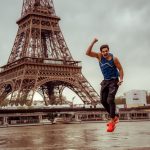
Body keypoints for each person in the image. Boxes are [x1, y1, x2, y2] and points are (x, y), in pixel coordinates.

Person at [86, 38, 124, 132]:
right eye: (103, 51)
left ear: (108, 50)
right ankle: (114, 116)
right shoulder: (99, 56)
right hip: (105, 81)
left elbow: (121, 69)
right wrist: (93, 42)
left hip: (114, 81)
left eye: (106, 51)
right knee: (103, 101)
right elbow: (87, 53)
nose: (105, 53)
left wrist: (121, 80)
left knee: (110, 99)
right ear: (101, 52)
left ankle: (112, 122)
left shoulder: (114, 59)